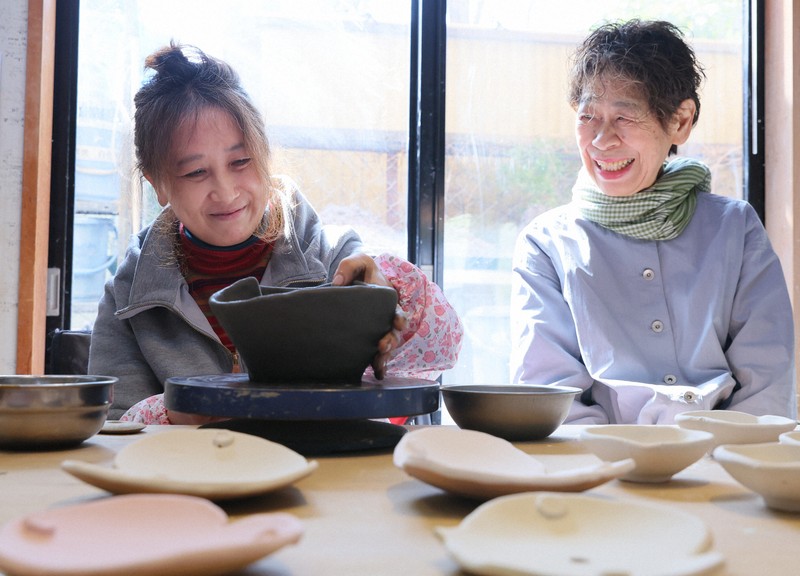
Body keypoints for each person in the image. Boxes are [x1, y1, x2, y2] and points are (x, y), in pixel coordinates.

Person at [88, 42, 463, 424]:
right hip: (189, 482)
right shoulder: (129, 296)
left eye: (240, 161)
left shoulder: (336, 260)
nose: (226, 191)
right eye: (196, 172)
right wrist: (196, 408)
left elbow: (434, 355)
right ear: (158, 185)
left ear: (264, 154)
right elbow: (117, 434)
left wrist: (393, 300)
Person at [510, 20, 796, 424]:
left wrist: (724, 457)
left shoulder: (735, 228)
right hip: (600, 466)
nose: (601, 140)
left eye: (624, 118)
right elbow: (548, 395)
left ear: (680, 121)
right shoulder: (545, 244)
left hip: (722, 459)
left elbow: (767, 381)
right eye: (588, 115)